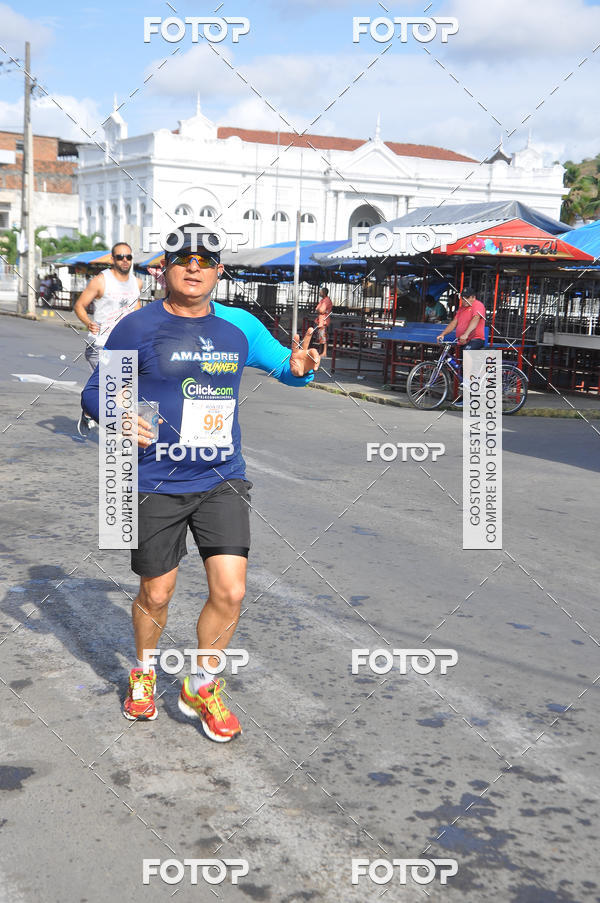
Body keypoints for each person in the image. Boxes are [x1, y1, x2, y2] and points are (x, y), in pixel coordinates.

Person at [80, 223, 319, 742]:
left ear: (219, 272)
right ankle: (143, 671)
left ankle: (202, 684)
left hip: (221, 476)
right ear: (164, 268)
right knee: (157, 590)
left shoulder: (239, 327)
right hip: (153, 478)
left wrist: (300, 368)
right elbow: (95, 392)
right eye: (183, 258)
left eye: (205, 261)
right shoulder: (136, 327)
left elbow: (289, 368)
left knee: (231, 592)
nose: (194, 267)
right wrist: (118, 417)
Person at [74, 242, 142, 437]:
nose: (124, 260)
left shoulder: (136, 283)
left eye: (128, 257)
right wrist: (88, 322)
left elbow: (135, 309)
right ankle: (95, 413)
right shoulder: (100, 281)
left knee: (122, 390)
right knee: (115, 389)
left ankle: (92, 412)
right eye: (120, 256)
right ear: (112, 259)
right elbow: (80, 305)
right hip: (100, 343)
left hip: (125, 344)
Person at [313, 285, 333, 356]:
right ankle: (321, 351)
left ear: (324, 293)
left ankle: (324, 352)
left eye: (320, 292)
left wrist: (319, 310)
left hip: (324, 321)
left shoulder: (326, 301)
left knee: (324, 337)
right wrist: (319, 310)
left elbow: (321, 310)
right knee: (320, 337)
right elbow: (317, 309)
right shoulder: (322, 300)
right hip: (320, 320)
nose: (319, 293)